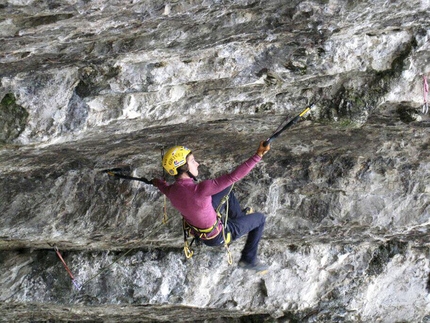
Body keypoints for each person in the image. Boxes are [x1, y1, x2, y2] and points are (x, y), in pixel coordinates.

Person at [152, 141, 270, 272]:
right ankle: (248, 259)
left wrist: (156, 182)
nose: (197, 164)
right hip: (218, 235)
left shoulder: (172, 191)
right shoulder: (200, 189)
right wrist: (258, 155)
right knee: (260, 219)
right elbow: (234, 176)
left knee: (227, 189)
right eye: (192, 161)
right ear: (184, 167)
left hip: (201, 227)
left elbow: (161, 186)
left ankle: (239, 218)